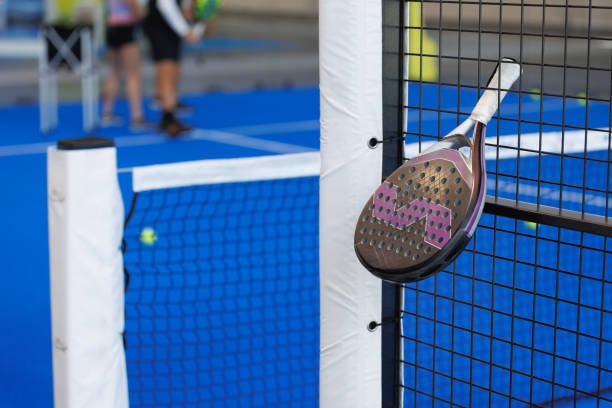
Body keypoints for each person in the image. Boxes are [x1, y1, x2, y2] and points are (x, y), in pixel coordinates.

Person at [142, 0, 203, 137]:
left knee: (172, 70)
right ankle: (168, 118)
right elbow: (165, 5)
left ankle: (168, 112)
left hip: (168, 27)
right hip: (161, 26)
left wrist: (189, 15)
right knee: (167, 70)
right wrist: (185, 31)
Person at [102, 0, 149, 129]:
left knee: (115, 72)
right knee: (133, 73)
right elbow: (132, 4)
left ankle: (107, 112)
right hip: (126, 28)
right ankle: (137, 117)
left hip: (111, 27)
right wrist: (141, 18)